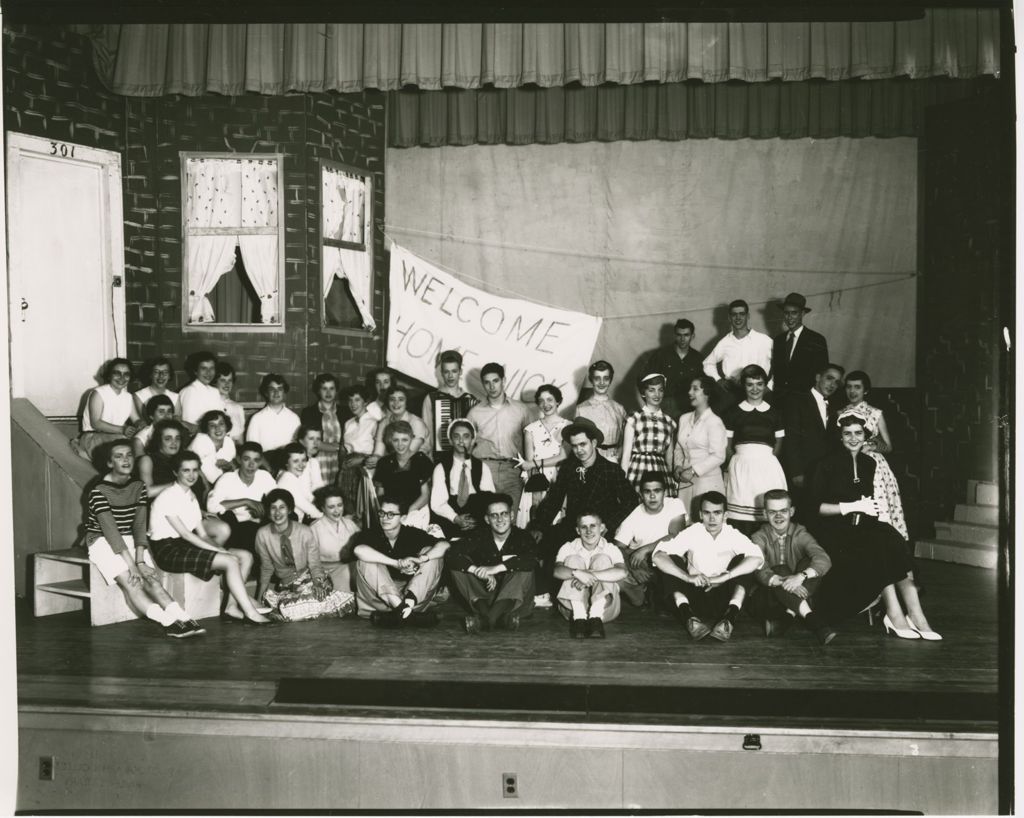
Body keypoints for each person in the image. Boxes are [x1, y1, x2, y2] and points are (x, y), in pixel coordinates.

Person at [808, 414, 941, 640]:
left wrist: (868, 508)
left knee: (894, 540)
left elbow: (866, 500)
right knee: (879, 547)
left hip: (862, 525)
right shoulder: (825, 464)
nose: (853, 438)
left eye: (858, 433)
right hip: (834, 530)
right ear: (840, 437)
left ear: (865, 436)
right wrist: (849, 507)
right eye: (847, 433)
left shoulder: (869, 463)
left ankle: (917, 616)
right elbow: (812, 508)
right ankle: (895, 614)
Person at [84, 440, 203, 637]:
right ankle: (168, 623)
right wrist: (132, 566)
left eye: (129, 455)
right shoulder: (98, 491)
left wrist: (140, 560)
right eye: (119, 456)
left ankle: (183, 617)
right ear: (109, 463)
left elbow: (139, 526)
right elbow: (111, 532)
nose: (126, 460)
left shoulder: (138, 486)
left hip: (129, 538)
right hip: (101, 540)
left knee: (152, 580)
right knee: (133, 582)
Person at [147, 451, 270, 624]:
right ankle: (251, 613)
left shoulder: (190, 496)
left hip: (184, 545)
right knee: (230, 561)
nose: (192, 475)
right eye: (186, 470)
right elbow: (186, 534)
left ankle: (231, 608)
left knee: (245, 556)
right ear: (176, 472)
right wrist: (219, 551)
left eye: (195, 470)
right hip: (167, 550)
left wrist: (219, 549)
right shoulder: (168, 496)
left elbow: (203, 534)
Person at [530, 417, 638, 607]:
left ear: (594, 443)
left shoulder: (610, 470)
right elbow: (554, 499)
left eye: (583, 444)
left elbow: (631, 501)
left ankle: (599, 597)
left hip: (600, 530)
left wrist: (608, 525)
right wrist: (540, 526)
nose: (579, 450)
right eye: (574, 446)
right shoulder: (568, 468)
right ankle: (546, 593)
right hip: (572, 527)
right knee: (544, 543)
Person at [653, 491, 763, 642]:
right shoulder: (691, 532)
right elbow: (658, 556)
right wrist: (688, 577)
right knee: (671, 559)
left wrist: (725, 576)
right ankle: (689, 619)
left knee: (744, 561)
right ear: (700, 514)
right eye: (707, 513)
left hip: (723, 598)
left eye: (717, 513)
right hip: (694, 596)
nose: (712, 518)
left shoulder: (733, 534)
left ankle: (729, 619)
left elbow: (757, 559)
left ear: (725, 515)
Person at [748, 490, 836, 645]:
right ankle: (813, 620)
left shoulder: (800, 533)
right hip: (769, 600)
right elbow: (758, 568)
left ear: (792, 511)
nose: (778, 516)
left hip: (798, 594)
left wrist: (801, 576)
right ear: (764, 513)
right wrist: (786, 582)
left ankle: (787, 619)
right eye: (772, 512)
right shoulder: (758, 537)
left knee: (809, 562)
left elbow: (823, 559)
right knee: (779, 569)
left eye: (783, 511)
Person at [255, 489, 351, 622]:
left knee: (315, 598)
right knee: (290, 607)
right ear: (268, 510)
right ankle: (288, 607)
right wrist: (259, 598)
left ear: (289, 510)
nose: (277, 513)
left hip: (310, 578)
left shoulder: (304, 531)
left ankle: (289, 609)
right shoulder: (262, 534)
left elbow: (314, 563)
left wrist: (318, 583)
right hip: (287, 585)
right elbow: (266, 568)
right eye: (273, 508)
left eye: (282, 507)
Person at [447, 493, 538, 633]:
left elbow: (532, 560)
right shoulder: (479, 535)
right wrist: (476, 570)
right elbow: (452, 555)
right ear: (487, 519)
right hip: (485, 599)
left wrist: (495, 568)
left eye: (504, 514)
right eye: (494, 515)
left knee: (524, 568)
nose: (500, 519)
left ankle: (486, 620)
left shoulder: (523, 537)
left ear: (512, 516)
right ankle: (499, 619)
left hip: (516, 602)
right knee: (459, 566)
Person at [352, 497, 450, 625]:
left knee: (432, 554)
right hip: (379, 601)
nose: (384, 518)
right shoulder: (370, 534)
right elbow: (358, 550)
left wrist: (420, 559)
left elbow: (446, 545)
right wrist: (396, 563)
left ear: (403, 518)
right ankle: (404, 611)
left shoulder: (413, 534)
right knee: (366, 559)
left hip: (412, 600)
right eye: (382, 513)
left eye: (391, 514)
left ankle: (406, 606)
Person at [723, 364, 787, 532]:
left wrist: (765, 462)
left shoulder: (775, 413)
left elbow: (779, 444)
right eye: (750, 384)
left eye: (759, 384)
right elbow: (727, 446)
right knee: (740, 519)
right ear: (743, 386)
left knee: (767, 517)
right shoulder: (733, 413)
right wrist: (736, 464)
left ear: (765, 385)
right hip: (741, 468)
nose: (755, 388)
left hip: (767, 468)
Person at [612, 471, 688, 607]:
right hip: (640, 563)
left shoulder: (675, 504)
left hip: (666, 559)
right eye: (647, 492)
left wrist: (645, 549)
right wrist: (632, 568)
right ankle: (643, 591)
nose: (652, 496)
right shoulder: (633, 516)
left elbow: (676, 535)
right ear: (641, 494)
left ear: (664, 492)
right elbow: (616, 547)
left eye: (657, 491)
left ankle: (654, 593)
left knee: (672, 564)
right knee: (617, 576)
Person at [467, 362, 533, 519]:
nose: (492, 386)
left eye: (495, 381)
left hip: (512, 470)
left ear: (503, 381)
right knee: (486, 520)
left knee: (510, 519)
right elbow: (467, 446)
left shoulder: (521, 410)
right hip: (484, 469)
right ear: (482, 384)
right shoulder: (474, 412)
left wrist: (530, 473)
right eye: (487, 382)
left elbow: (531, 444)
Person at [553, 510, 627, 639]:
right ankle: (579, 618)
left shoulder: (610, 548)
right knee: (573, 560)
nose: (588, 531)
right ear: (577, 530)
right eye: (584, 527)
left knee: (602, 559)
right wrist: (577, 573)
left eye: (593, 525)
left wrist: (588, 574)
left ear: (602, 528)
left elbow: (622, 572)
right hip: (571, 610)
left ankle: (595, 618)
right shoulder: (568, 547)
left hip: (604, 610)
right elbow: (557, 571)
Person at [783, 363, 843, 513]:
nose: (832, 385)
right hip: (804, 472)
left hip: (825, 473)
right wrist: (796, 472)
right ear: (817, 377)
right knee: (803, 513)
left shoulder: (835, 406)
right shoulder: (797, 400)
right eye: (829, 378)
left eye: (837, 382)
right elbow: (791, 439)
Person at [703, 299, 774, 411]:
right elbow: (707, 363)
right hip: (733, 394)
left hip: (759, 392)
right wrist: (718, 379)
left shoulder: (764, 340)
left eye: (742, 314)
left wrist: (770, 386)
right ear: (729, 318)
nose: (738, 318)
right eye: (734, 314)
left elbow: (781, 364)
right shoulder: (725, 342)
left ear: (748, 316)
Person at [673, 374, 728, 520]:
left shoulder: (715, 422)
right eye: (690, 389)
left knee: (705, 523)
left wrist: (692, 471)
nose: (690, 392)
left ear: (707, 394)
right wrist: (678, 466)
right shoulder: (684, 418)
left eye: (695, 389)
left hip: (707, 482)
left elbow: (719, 456)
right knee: (684, 524)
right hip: (684, 482)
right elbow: (678, 447)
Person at [429, 419, 495, 539]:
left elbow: (490, 498)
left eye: (466, 437)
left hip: (476, 517)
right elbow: (437, 503)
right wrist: (456, 518)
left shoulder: (482, 467)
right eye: (456, 437)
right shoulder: (441, 468)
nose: (461, 441)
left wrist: (475, 519)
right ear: (450, 440)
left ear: (472, 440)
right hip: (449, 516)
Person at [516, 384, 571, 528]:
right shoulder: (530, 429)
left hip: (559, 479)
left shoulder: (569, 426)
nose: (545, 404)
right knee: (534, 523)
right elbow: (529, 461)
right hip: (537, 480)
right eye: (541, 401)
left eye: (550, 400)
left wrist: (533, 463)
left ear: (558, 401)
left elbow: (563, 457)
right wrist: (536, 491)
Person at [207, 441, 276, 552]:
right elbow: (211, 506)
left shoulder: (264, 476)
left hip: (259, 526)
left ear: (261, 461)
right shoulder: (227, 479)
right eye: (246, 459)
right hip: (236, 529)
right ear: (239, 460)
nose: (251, 464)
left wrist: (265, 509)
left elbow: (278, 498)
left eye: (256, 460)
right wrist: (246, 501)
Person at [621, 372, 677, 495]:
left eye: (660, 390)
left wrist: (671, 476)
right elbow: (626, 455)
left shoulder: (669, 422)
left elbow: (669, 456)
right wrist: (622, 481)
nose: (657, 395)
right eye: (651, 390)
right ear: (643, 393)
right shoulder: (633, 418)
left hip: (660, 472)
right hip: (638, 471)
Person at [76, 358, 141, 461]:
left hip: (116, 437)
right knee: (122, 448)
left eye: (126, 374)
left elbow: (136, 419)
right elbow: (96, 423)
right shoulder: (98, 393)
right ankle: (83, 450)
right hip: (93, 437)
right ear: (109, 375)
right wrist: (123, 430)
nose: (122, 378)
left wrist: (142, 426)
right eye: (117, 373)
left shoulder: (128, 397)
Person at [374, 421, 434, 531]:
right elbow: (380, 494)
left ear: (412, 438)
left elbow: (425, 495)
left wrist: (409, 513)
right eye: (396, 440)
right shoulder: (384, 463)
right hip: (391, 512)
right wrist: (392, 513)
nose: (400, 444)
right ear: (390, 440)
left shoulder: (421, 460)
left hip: (417, 510)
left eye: (404, 440)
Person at [771, 292, 830, 402]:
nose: (789, 317)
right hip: (780, 401)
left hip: (805, 401)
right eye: (786, 313)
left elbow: (822, 373)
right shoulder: (778, 340)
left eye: (794, 313)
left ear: (802, 313)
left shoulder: (816, 339)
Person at [421, 349, 479, 455]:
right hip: (440, 459)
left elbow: (476, 436)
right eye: (446, 372)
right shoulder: (431, 398)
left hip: (466, 459)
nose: (450, 376)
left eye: (454, 371)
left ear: (460, 372)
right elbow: (427, 435)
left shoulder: (471, 400)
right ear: (441, 373)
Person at [644, 318, 705, 418]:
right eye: (679, 335)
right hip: (664, 406)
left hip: (689, 407)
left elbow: (704, 386)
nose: (682, 339)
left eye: (686, 335)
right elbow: (644, 380)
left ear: (692, 336)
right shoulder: (661, 355)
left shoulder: (698, 358)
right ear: (674, 335)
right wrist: (650, 405)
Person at [340, 385, 379, 527]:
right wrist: (342, 464)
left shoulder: (374, 422)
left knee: (364, 510)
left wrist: (361, 459)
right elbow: (344, 448)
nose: (353, 404)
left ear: (366, 402)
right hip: (348, 471)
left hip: (365, 470)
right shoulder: (348, 423)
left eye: (357, 400)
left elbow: (380, 452)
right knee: (348, 509)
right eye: (350, 400)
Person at [310, 486, 361, 593]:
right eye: (331, 507)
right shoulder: (314, 528)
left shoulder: (350, 524)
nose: (337, 510)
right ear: (323, 508)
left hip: (352, 569)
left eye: (340, 505)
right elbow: (310, 563)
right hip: (326, 575)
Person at [576, 360, 627, 463]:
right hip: (590, 460)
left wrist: (620, 453)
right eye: (597, 378)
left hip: (614, 460)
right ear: (591, 380)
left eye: (606, 378)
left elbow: (625, 437)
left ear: (610, 380)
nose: (602, 383)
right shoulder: (580, 409)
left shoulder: (619, 409)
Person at [246, 373, 301, 463]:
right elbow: (251, 450)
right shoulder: (256, 419)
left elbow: (298, 448)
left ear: (284, 392)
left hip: (289, 465)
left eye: (280, 389)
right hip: (264, 465)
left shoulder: (294, 418)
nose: (276, 392)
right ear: (266, 393)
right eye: (272, 389)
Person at [299, 373, 344, 484]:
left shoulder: (345, 412)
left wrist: (340, 448)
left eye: (331, 388)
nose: (328, 393)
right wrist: (339, 448)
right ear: (318, 391)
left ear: (336, 390)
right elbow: (313, 442)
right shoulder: (308, 412)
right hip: (317, 460)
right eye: (324, 389)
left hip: (341, 462)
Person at [839, 370, 893, 455]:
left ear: (865, 390)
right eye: (849, 387)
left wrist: (870, 447)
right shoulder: (840, 413)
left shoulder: (876, 413)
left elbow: (889, 447)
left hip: (870, 459)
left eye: (857, 387)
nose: (852, 391)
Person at [136, 418, 189, 500]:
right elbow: (148, 492)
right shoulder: (147, 460)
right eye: (168, 439)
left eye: (177, 438)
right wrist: (177, 484)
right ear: (158, 440)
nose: (174, 443)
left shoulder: (183, 459)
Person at [372, 385, 428, 457]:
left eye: (401, 399)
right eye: (392, 399)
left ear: (407, 402)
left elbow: (408, 454)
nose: (396, 403)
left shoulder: (416, 423)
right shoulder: (384, 422)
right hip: (393, 461)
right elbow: (378, 452)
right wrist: (374, 460)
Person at [276, 442, 323, 523]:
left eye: (304, 460)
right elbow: (305, 505)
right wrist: (323, 516)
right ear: (286, 463)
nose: (301, 465)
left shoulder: (293, 477)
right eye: (295, 461)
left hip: (297, 522)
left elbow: (308, 495)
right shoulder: (286, 480)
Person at [178, 351, 224, 433]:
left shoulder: (215, 391)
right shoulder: (189, 391)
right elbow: (189, 426)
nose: (208, 373)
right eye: (204, 368)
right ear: (195, 371)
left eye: (211, 368)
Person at [188, 409, 237, 486]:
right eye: (212, 425)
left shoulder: (229, 442)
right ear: (206, 429)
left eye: (221, 424)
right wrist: (207, 486)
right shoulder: (200, 441)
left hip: (220, 483)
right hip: (197, 481)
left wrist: (228, 466)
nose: (217, 428)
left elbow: (232, 467)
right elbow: (195, 468)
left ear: (227, 426)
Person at [215, 361, 246, 444]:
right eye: (222, 380)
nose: (227, 384)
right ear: (215, 381)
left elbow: (240, 442)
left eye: (230, 380)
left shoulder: (238, 408)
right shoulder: (209, 404)